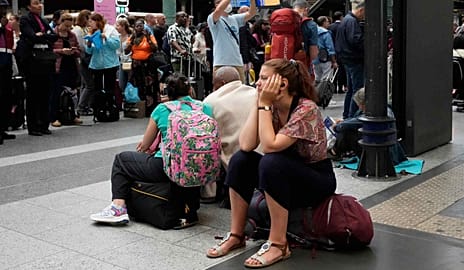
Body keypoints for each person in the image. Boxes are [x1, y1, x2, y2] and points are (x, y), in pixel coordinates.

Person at [205, 59, 337, 268]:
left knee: (271, 162)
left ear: (282, 84)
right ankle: (237, 234)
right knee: (241, 160)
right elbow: (247, 144)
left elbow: (269, 146)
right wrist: (259, 104)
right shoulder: (271, 106)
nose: (257, 83)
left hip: (316, 178)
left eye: (264, 79)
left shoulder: (306, 109)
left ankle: (278, 244)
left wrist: (264, 104)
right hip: (286, 171)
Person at [90, 73, 213, 224]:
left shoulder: (162, 109)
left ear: (168, 93)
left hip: (166, 168)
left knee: (121, 160)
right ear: (189, 90)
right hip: (199, 167)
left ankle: (118, 207)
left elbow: (146, 145)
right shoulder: (205, 107)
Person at [202, 66, 257, 202]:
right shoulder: (255, 93)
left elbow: (206, 138)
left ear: (222, 83)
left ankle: (209, 193)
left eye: (214, 85)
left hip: (234, 164)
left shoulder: (210, 101)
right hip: (262, 158)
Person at [330, 88, 407, 165]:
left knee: (347, 132)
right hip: (383, 149)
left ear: (365, 103)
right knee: (348, 128)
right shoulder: (382, 108)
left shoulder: (375, 114)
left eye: (360, 105)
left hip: (380, 153)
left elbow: (347, 125)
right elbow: (354, 119)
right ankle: (335, 151)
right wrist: (343, 121)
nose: (360, 108)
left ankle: (334, 151)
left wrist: (338, 126)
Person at [15, 0, 58, 136]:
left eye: (40, 3)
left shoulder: (43, 20)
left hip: (45, 60)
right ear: (28, 6)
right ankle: (33, 126)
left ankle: (44, 124)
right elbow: (31, 37)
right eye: (35, 3)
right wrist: (41, 36)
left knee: (45, 92)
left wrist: (43, 36)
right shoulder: (25, 20)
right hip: (32, 61)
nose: (39, 5)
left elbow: (54, 36)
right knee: (33, 93)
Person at [207, 0, 257, 84]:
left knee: (240, 89)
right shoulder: (212, 18)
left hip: (237, 61)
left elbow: (251, 13)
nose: (222, 3)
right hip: (221, 62)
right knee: (220, 90)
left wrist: (252, 1)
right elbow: (219, 10)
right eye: (218, 2)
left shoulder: (234, 18)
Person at [85, 13, 120, 114]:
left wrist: (106, 38)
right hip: (96, 64)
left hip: (110, 63)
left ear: (97, 21)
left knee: (110, 87)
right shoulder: (91, 32)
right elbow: (89, 52)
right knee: (97, 88)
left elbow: (116, 45)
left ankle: (110, 107)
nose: (90, 24)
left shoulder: (110, 29)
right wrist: (88, 45)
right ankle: (99, 109)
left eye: (91, 22)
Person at [50, 13, 82, 127]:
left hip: (71, 65)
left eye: (70, 27)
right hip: (58, 66)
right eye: (66, 26)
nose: (68, 29)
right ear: (60, 22)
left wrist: (74, 51)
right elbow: (49, 51)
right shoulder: (53, 34)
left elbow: (79, 50)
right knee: (56, 92)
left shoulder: (72, 35)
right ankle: (54, 117)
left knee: (73, 92)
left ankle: (73, 114)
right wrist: (61, 51)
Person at [335, 0, 365, 119]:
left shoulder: (346, 20)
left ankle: (347, 114)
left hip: (347, 59)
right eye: (364, 14)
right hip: (354, 59)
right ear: (361, 10)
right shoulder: (352, 22)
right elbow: (355, 40)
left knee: (351, 89)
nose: (363, 17)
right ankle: (353, 115)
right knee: (357, 90)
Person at [125, 19, 158, 116]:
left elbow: (155, 48)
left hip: (148, 65)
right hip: (136, 65)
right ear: (134, 27)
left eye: (141, 26)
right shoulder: (132, 37)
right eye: (137, 26)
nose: (139, 28)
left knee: (149, 86)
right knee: (138, 85)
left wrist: (148, 38)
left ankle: (149, 109)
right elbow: (126, 51)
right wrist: (131, 42)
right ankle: (140, 107)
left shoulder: (149, 36)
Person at [72, 9, 95, 116]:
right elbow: (81, 46)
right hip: (84, 59)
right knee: (89, 85)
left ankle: (83, 106)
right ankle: (82, 106)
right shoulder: (78, 30)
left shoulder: (84, 29)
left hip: (84, 58)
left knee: (85, 84)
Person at [0, 14, 16, 144]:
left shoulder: (8, 30)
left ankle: (2, 128)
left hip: (6, 67)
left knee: (6, 98)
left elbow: (9, 48)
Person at [292, 0, 319, 76]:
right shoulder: (311, 24)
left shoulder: (284, 21)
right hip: (302, 61)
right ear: (306, 9)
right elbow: (313, 52)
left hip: (283, 60)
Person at [313, 16, 337, 82]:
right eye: (327, 22)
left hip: (315, 58)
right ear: (323, 23)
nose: (329, 23)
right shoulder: (326, 33)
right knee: (326, 79)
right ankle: (323, 92)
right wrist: (334, 61)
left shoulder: (313, 32)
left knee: (317, 78)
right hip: (325, 58)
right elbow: (330, 48)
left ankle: (317, 91)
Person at [115, 18, 132, 93]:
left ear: (123, 26)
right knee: (121, 84)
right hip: (121, 62)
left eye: (118, 25)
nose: (116, 27)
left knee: (130, 81)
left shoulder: (130, 37)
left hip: (129, 62)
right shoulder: (117, 37)